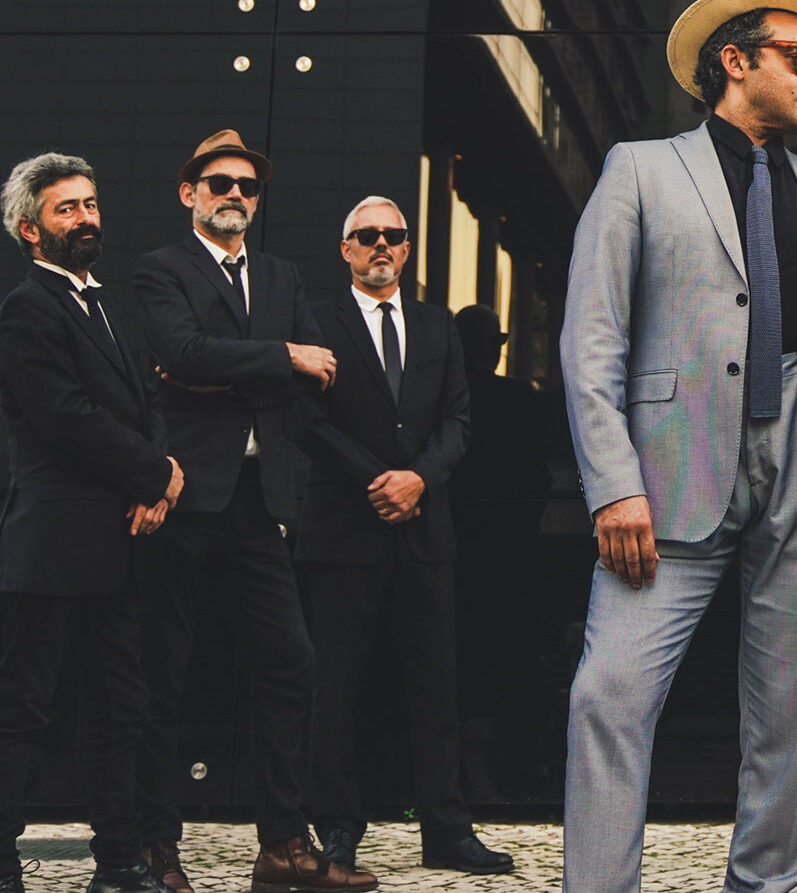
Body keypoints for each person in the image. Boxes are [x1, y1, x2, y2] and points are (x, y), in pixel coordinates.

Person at [557, 0, 797, 890]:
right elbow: (592, 338)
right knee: (607, 694)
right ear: (736, 61)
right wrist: (613, 482)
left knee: (790, 715)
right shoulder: (638, 169)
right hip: (668, 471)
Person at [130, 130, 374, 893]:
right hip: (179, 496)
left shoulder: (279, 275)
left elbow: (316, 370)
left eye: (248, 186)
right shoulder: (159, 269)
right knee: (162, 673)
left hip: (258, 500)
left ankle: (283, 845)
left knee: (291, 660)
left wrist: (222, 367)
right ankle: (154, 845)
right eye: (220, 182)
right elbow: (180, 351)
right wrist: (278, 357)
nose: (236, 194)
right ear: (190, 193)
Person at [0, 152, 184, 893]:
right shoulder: (27, 308)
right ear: (31, 229)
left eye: (91, 203)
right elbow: (66, 416)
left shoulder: (109, 304)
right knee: (23, 710)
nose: (87, 217)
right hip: (51, 548)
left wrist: (158, 479)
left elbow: (148, 400)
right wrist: (154, 473)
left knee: (121, 709)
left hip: (120, 545)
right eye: (67, 208)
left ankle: (117, 862)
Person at [292, 196, 514, 877]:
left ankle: (446, 830)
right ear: (346, 249)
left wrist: (418, 478)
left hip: (425, 534)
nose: (381, 244)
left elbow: (458, 420)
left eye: (393, 234)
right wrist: (379, 481)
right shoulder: (315, 323)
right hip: (343, 535)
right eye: (367, 235)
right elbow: (307, 421)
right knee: (337, 689)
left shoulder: (438, 325)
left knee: (435, 689)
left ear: (408, 248)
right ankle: (337, 830)